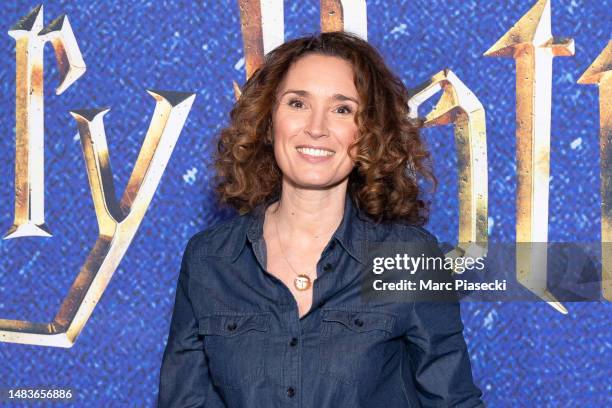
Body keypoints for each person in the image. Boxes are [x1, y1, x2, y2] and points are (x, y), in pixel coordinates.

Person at [158, 31, 484, 407]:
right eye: (298, 103)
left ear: (367, 133)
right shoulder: (210, 260)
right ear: (268, 121)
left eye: (342, 109)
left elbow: (453, 401)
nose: (316, 127)